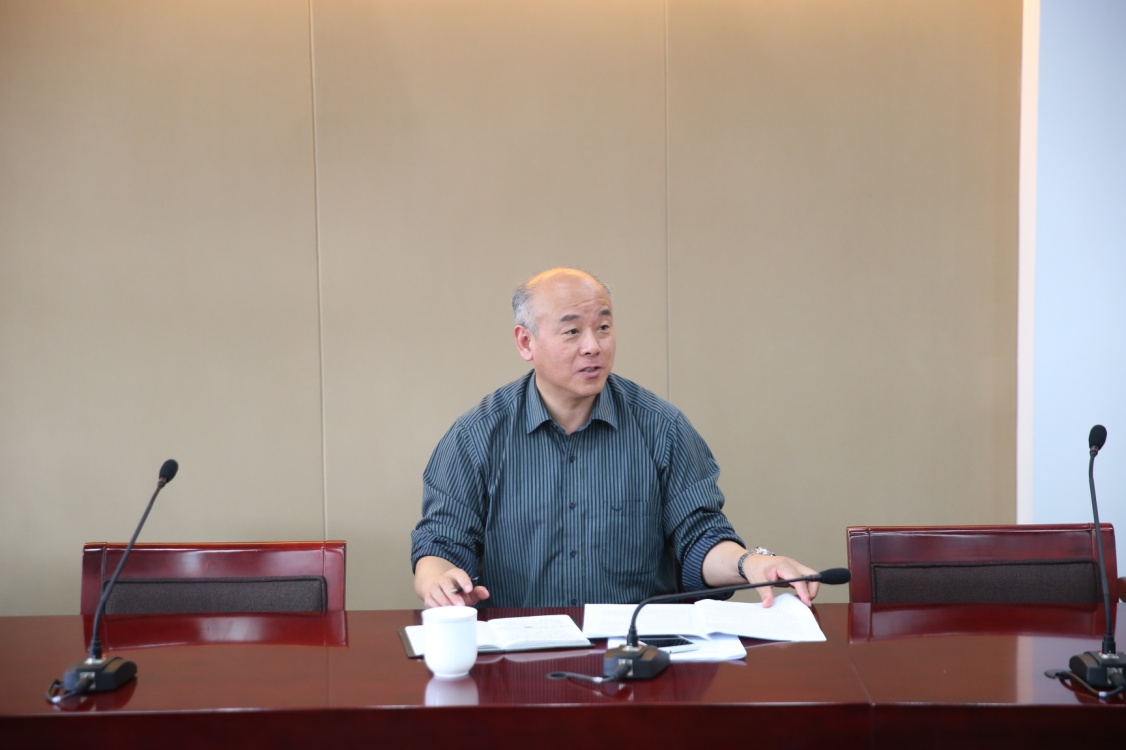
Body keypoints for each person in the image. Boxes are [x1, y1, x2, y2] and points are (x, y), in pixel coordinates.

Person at [411, 267, 820, 609]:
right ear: (525, 342)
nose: (593, 346)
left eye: (603, 327)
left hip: (640, 654)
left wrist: (752, 563)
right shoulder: (476, 437)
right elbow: (440, 545)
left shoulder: (661, 427)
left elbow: (700, 538)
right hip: (521, 655)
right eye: (572, 331)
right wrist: (439, 579)